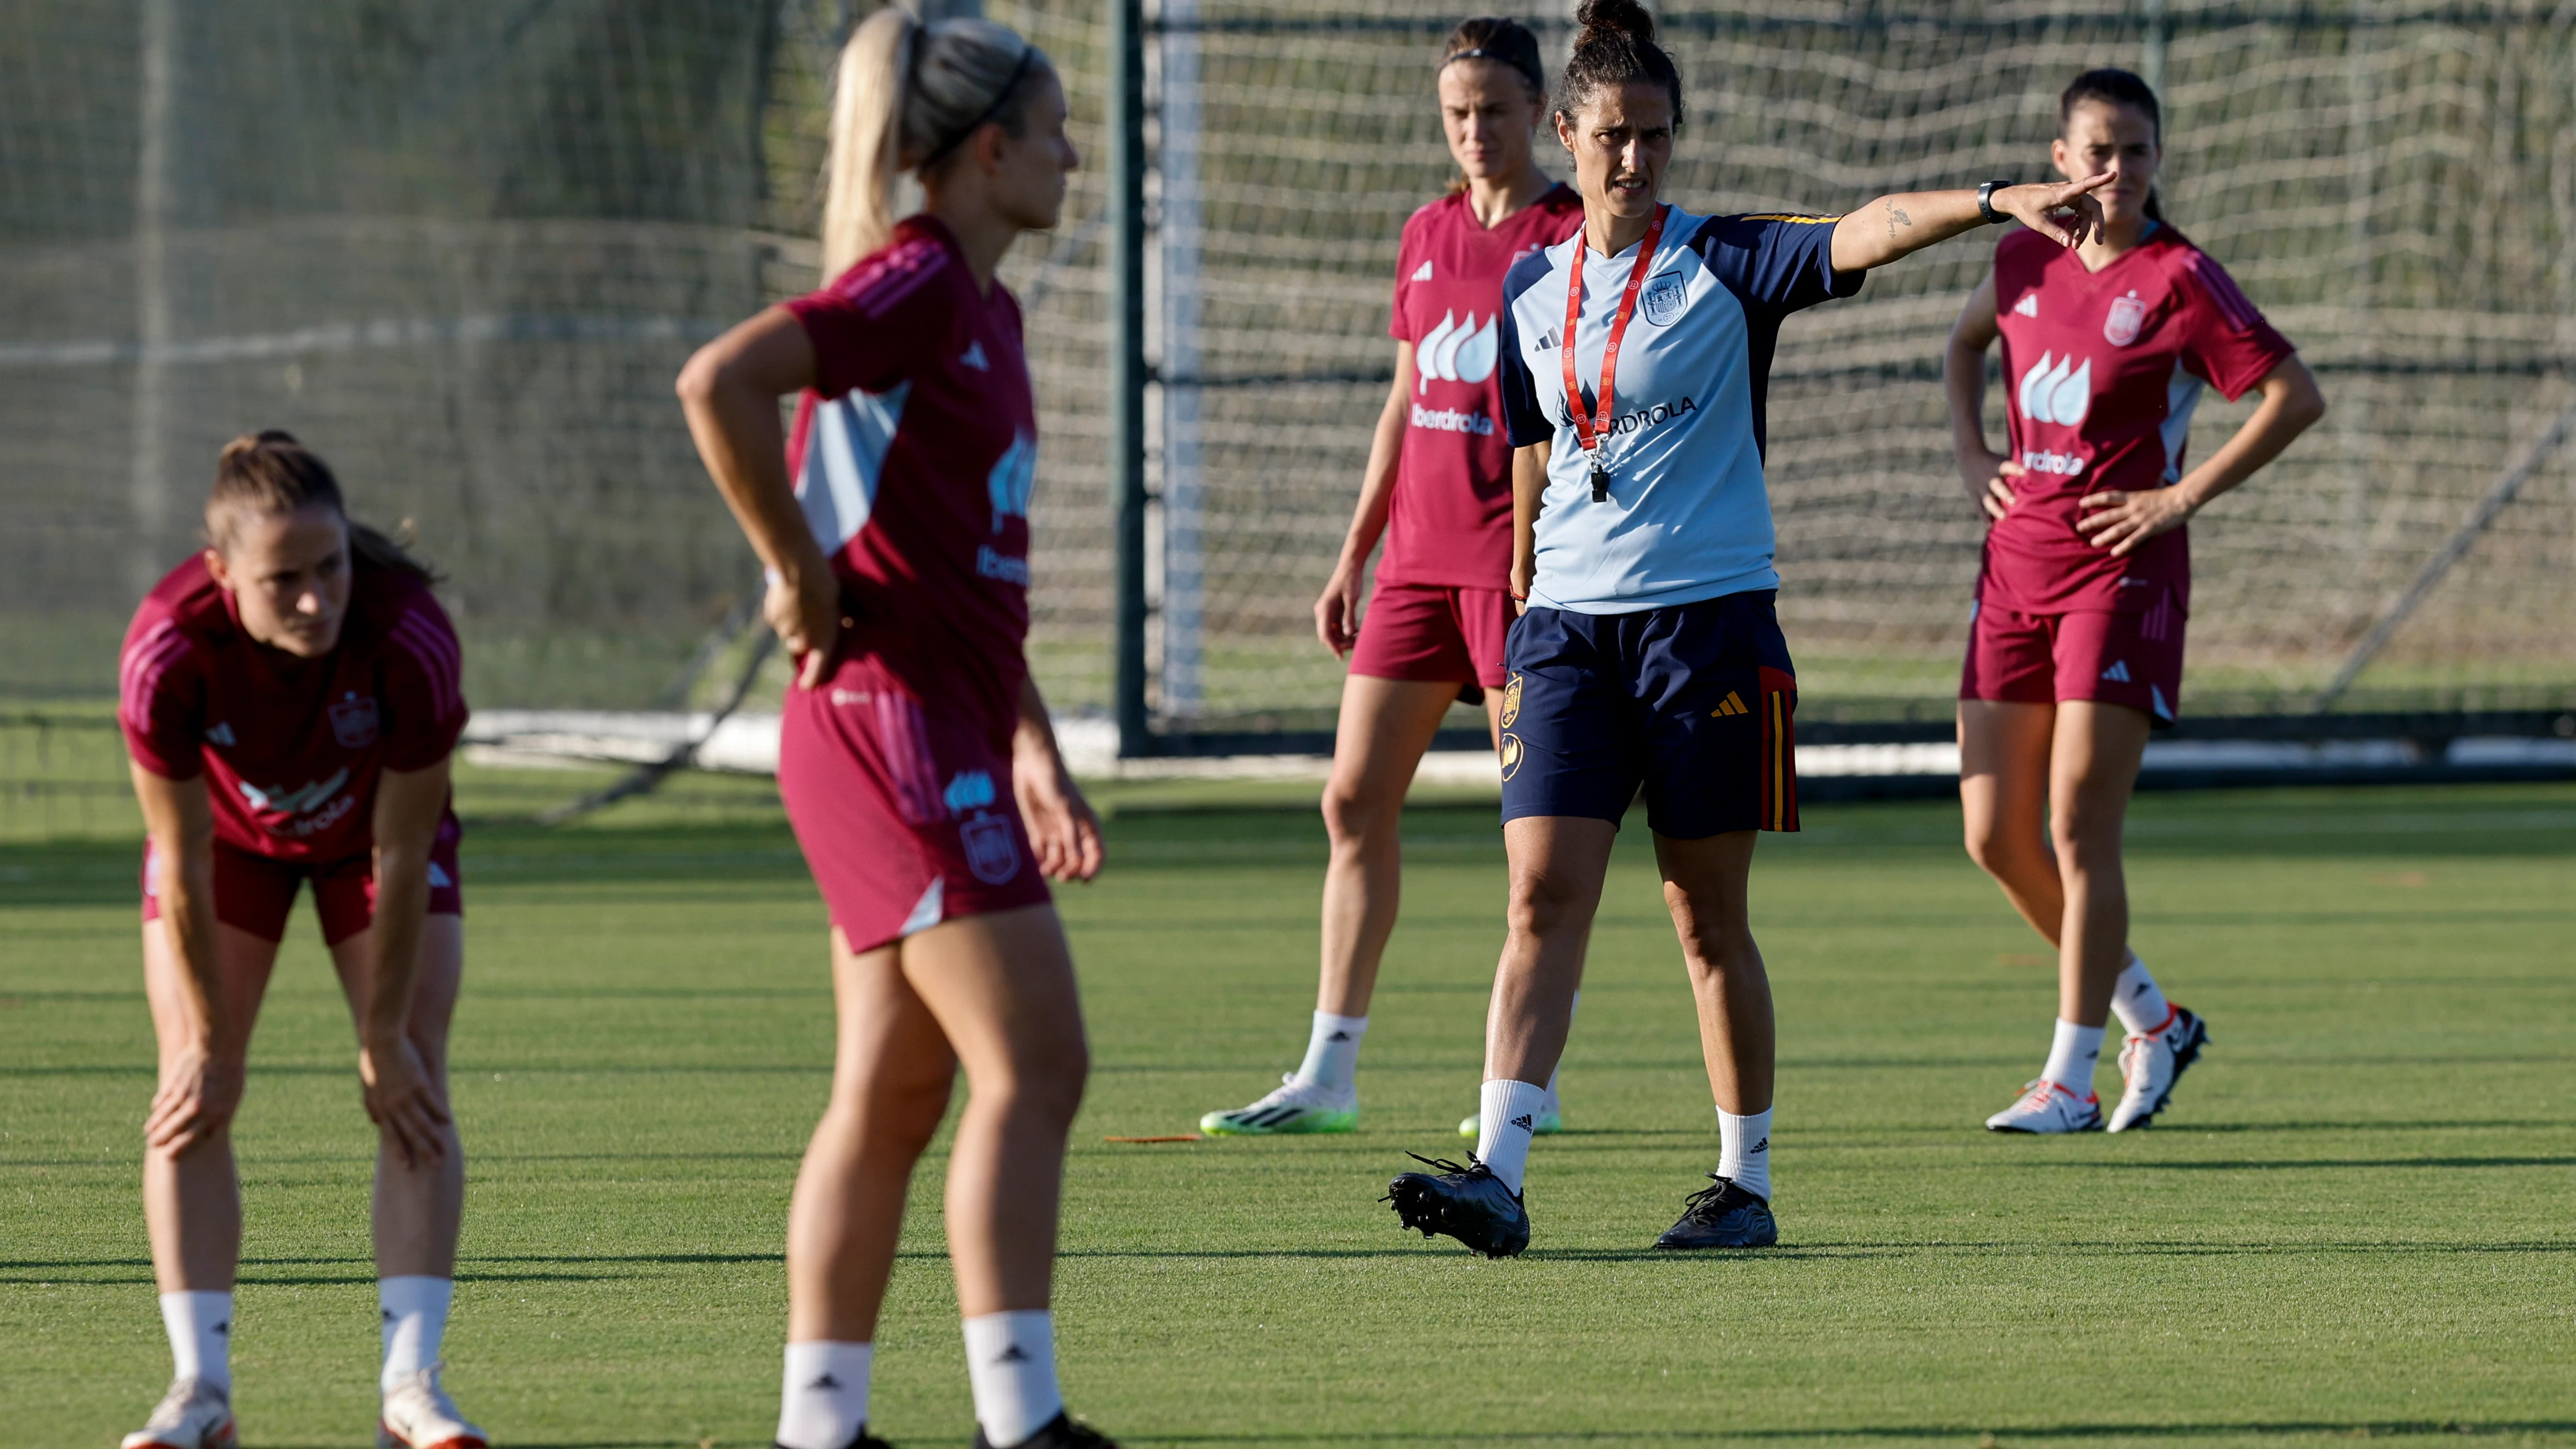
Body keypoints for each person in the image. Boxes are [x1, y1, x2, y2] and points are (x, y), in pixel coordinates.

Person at [1382, 0, 2120, 1258]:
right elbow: (1533, 448)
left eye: (1656, 137)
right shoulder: (1526, 288)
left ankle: (1744, 1183)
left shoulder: (1722, 260)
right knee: (1539, 898)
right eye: (1613, 136)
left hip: (1706, 632)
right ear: (1565, 134)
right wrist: (1512, 598)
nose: (1635, 159)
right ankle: (1497, 1173)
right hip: (1563, 631)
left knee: (1703, 914)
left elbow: (1866, 232)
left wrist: (1996, 198)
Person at [672, 9, 1113, 1449]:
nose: (1071, 155)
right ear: (988, 152)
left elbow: (965, 556)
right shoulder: (917, 280)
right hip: (885, 724)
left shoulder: (989, 309)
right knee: (1038, 1058)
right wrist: (797, 570)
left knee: (899, 1082)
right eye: (1052, 131)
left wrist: (1033, 744)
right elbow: (720, 382)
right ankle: (1023, 1421)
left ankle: (821, 1427)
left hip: (951, 722)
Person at [1199, 16, 1586, 1142]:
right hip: (1416, 569)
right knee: (1352, 801)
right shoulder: (1423, 233)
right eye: (1458, 114)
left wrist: (1542, 549)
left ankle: (1526, 1084)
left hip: (1519, 573)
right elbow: (1403, 402)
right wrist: (1352, 554)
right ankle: (1329, 1070)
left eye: (1496, 112)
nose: (1475, 132)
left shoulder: (1571, 235)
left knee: (1542, 846)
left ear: (1539, 117)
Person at [1946, 69, 2324, 1134]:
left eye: (2137, 152)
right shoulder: (2021, 252)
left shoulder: (2180, 277)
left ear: (2158, 162)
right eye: (2097, 151)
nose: (2116, 171)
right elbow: (1964, 344)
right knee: (1990, 834)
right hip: (2011, 568)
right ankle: (2152, 1019)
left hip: (2121, 573)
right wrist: (1973, 448)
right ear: (2059, 158)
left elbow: (2293, 394)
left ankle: (2069, 1079)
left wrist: (2179, 498)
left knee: (2074, 824)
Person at [116, 432, 482, 1449]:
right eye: (284, 581)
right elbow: (180, 855)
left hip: (372, 849)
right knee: (191, 1084)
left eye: (332, 569)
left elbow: (403, 855)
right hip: (228, 851)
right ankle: (201, 1392)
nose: (317, 600)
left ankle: (411, 1391)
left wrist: (380, 1039)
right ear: (222, 573)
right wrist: (214, 1040)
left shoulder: (409, 637)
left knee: (414, 1075)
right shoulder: (167, 649)